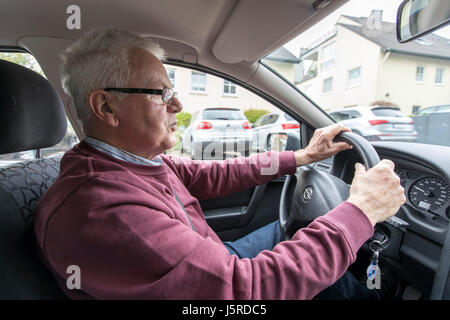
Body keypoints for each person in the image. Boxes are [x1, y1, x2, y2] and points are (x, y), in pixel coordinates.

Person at [34, 28, 406, 300]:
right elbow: (246, 290)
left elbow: (210, 174)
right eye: (162, 94)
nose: (177, 106)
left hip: (208, 265)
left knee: (291, 237)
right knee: (322, 273)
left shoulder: (129, 163)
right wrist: (360, 211)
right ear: (106, 107)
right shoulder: (105, 209)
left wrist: (301, 158)